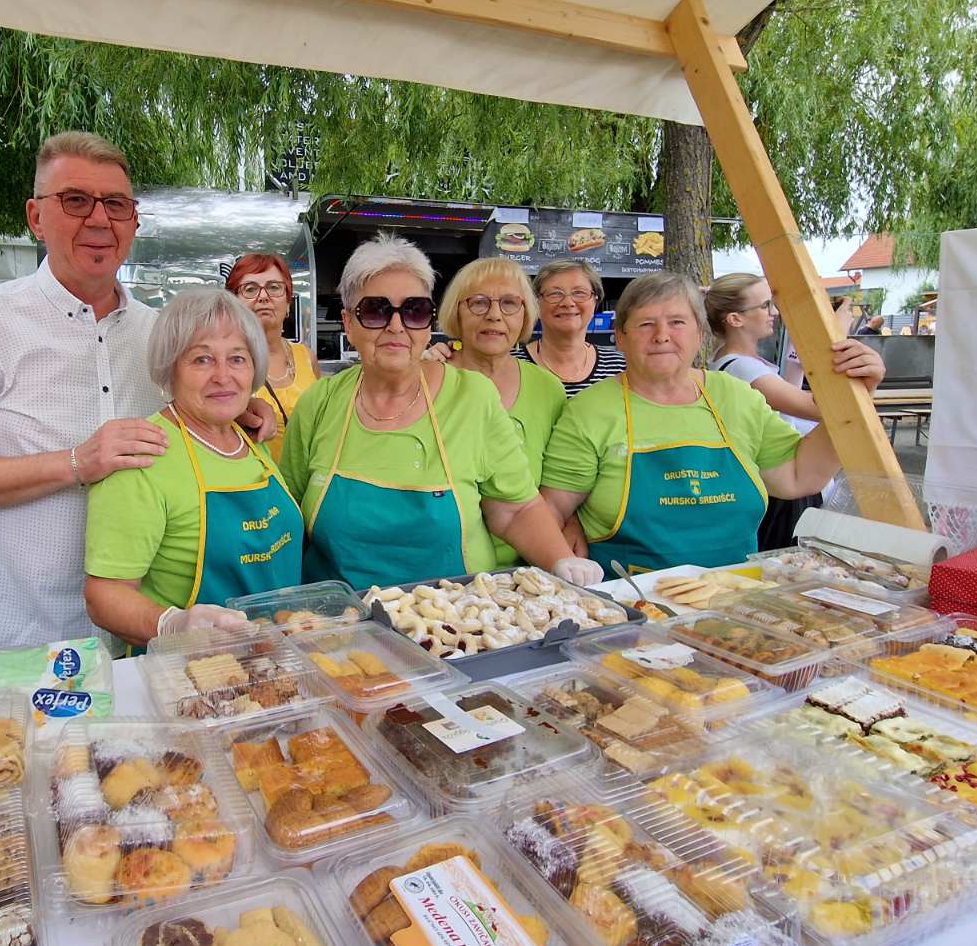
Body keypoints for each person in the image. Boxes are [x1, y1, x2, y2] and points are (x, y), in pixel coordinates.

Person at [0, 131, 271, 650]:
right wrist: (77, 462)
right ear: (36, 217)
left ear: (134, 222)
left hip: (137, 624)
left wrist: (234, 407)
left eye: (116, 204)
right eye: (76, 201)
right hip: (20, 626)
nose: (99, 220)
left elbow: (184, 423)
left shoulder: (160, 333)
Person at [280, 232, 603, 590]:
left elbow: (516, 510)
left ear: (429, 322)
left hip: (452, 621)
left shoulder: (473, 397)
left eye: (414, 311)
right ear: (348, 323)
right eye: (375, 310)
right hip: (342, 622)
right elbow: (286, 518)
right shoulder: (319, 403)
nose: (396, 326)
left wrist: (561, 561)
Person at [539, 271, 885, 574]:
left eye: (677, 322)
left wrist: (856, 398)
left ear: (699, 335)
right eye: (646, 324)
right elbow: (551, 509)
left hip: (734, 595)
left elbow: (799, 475)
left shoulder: (735, 397)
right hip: (630, 603)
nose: (662, 335)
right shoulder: (589, 411)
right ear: (620, 336)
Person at [83, 289, 303, 647]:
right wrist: (173, 625)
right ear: (170, 370)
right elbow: (103, 597)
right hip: (191, 675)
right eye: (201, 360)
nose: (222, 376)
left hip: (278, 659)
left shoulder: (250, 439)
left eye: (237, 359)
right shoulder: (142, 458)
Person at [436, 257, 568, 566]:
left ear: (525, 314)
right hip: (448, 567)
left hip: (532, 561)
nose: (494, 315)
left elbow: (559, 483)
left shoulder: (548, 388)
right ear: (456, 311)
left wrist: (568, 526)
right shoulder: (432, 380)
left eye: (509, 303)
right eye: (478, 303)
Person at [705, 273, 826, 550]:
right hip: (780, 483)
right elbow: (813, 408)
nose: (773, 312)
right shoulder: (740, 368)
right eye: (765, 306)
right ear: (735, 318)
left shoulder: (743, 363)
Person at [225, 252, 320, 460]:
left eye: (274, 287)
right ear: (234, 303)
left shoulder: (306, 357)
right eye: (250, 289)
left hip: (305, 484)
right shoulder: (223, 363)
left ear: (288, 303)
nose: (263, 296)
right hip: (255, 483)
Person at [519, 259, 626, 396]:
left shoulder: (621, 367)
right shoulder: (510, 367)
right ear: (537, 303)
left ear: (595, 302)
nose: (568, 302)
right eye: (555, 294)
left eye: (579, 293)